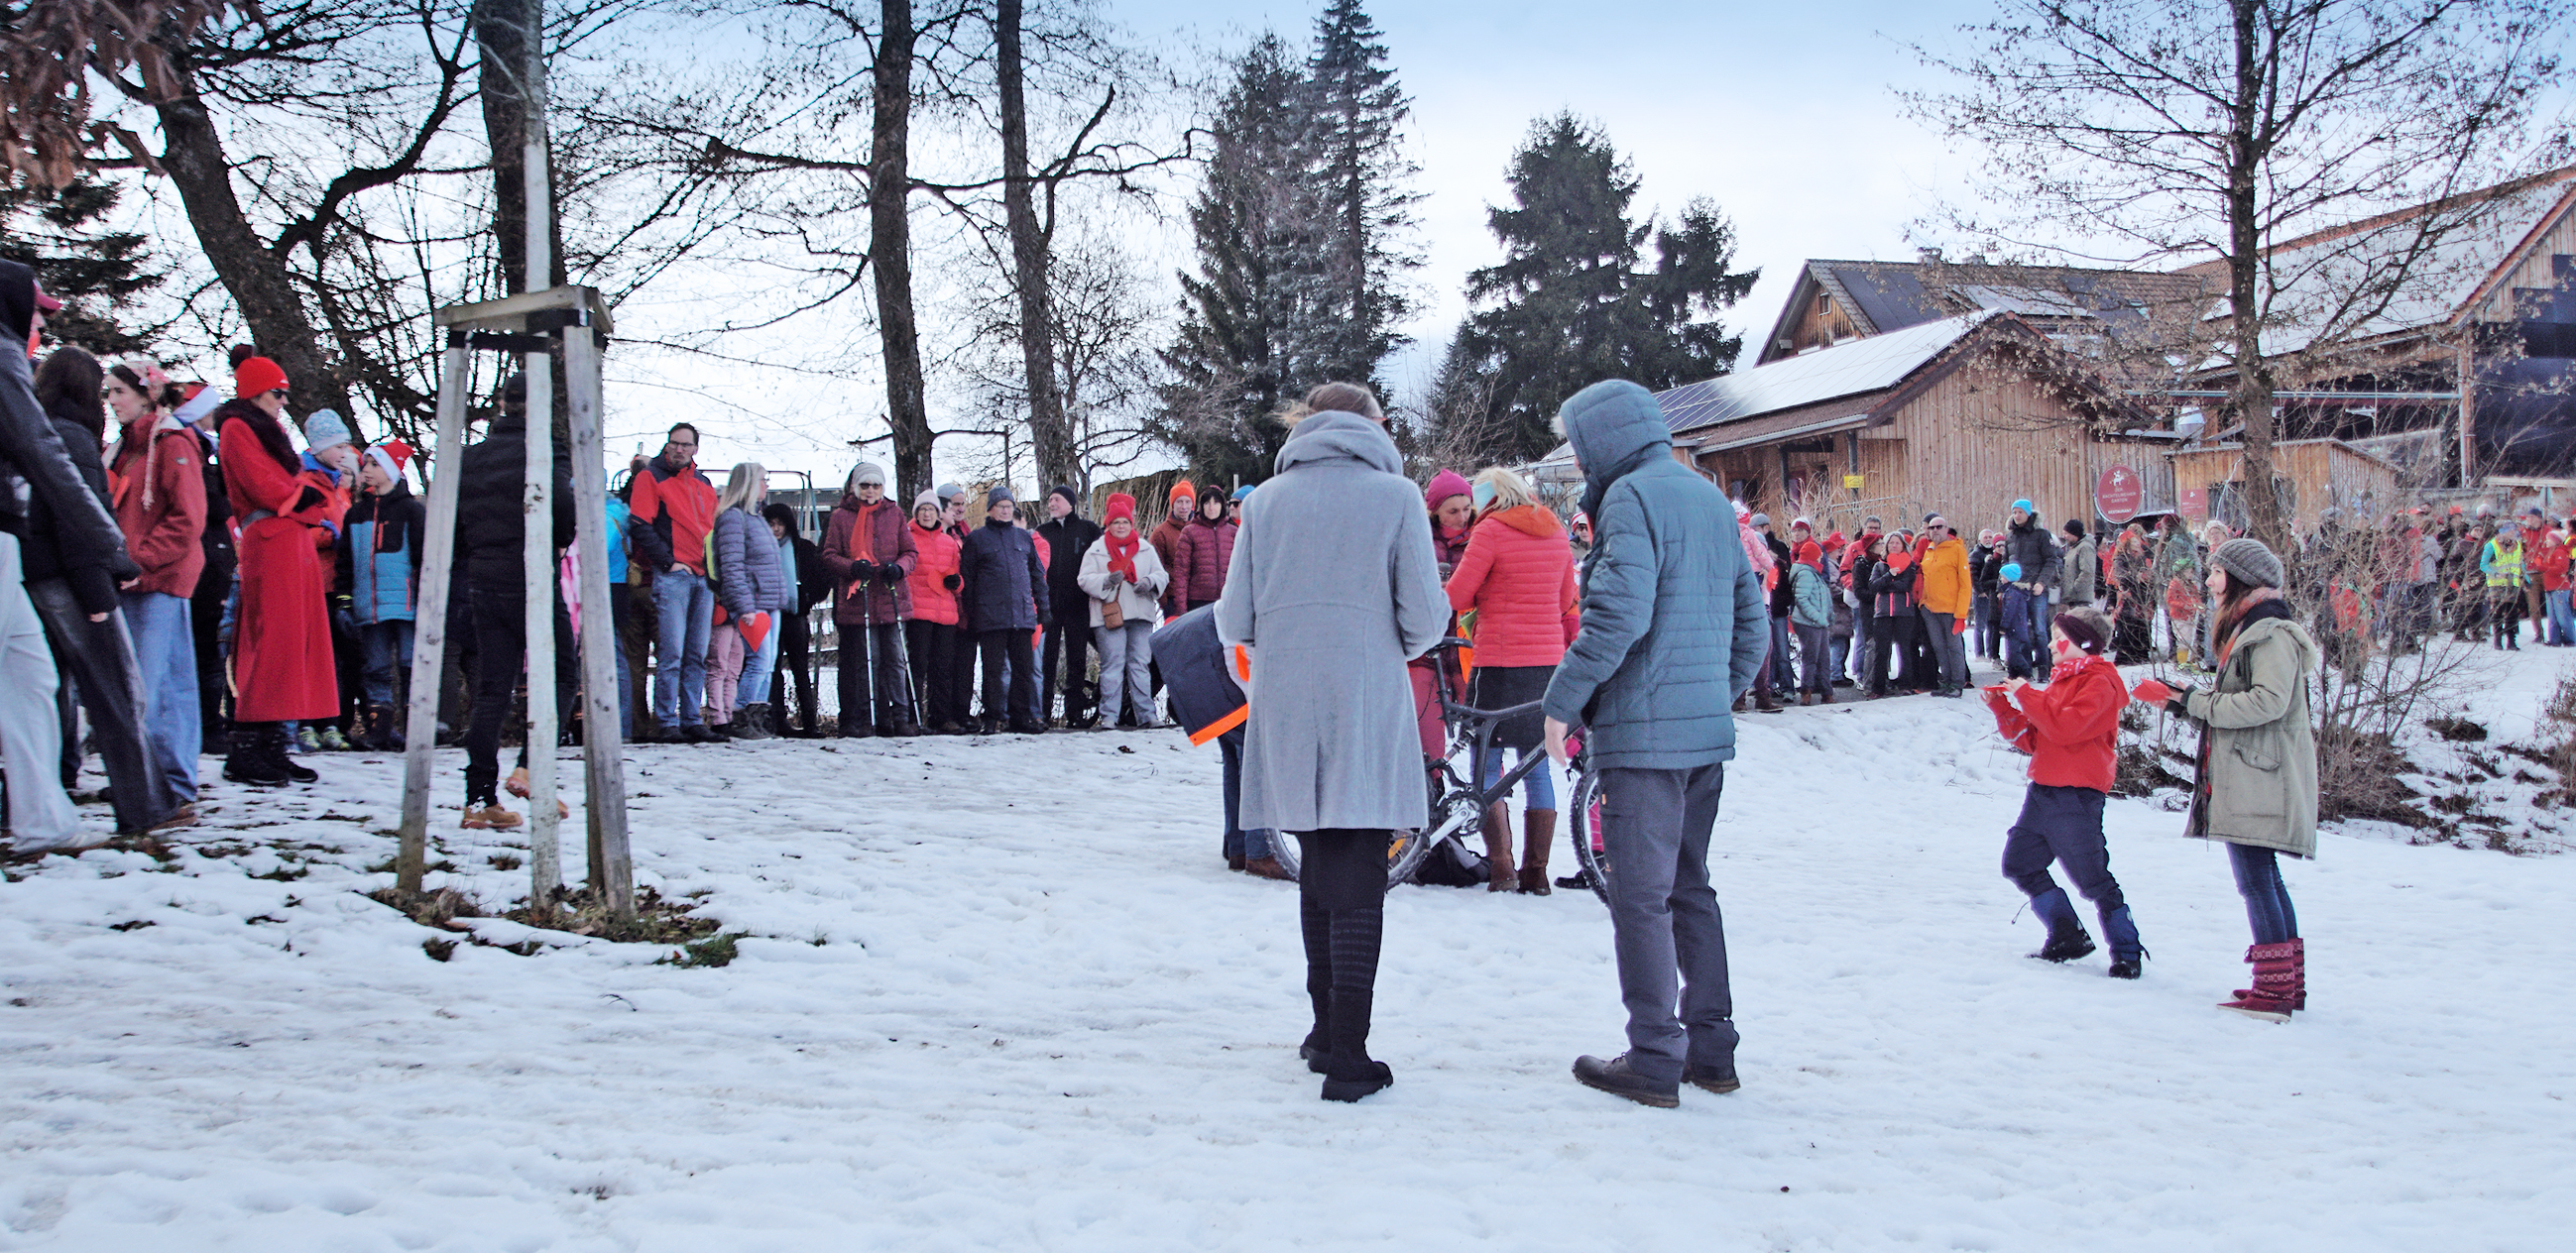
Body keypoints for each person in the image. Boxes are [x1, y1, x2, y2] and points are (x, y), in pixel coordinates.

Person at [1537, 379, 1767, 1109]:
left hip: (1644, 743)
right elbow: (1751, 623)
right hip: (1703, 739)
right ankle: (1713, 1052)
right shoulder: (1704, 495)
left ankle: (1653, 1056)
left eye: (1579, 441)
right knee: (1690, 887)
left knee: (1641, 899)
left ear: (1606, 437)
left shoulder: (1631, 498)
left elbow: (1617, 618)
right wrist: (1711, 697)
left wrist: (1562, 703)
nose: (1576, 457)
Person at [1217, 380, 1446, 1103]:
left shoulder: (1267, 502)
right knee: (1358, 878)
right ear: (1374, 425)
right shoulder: (1397, 496)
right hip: (1364, 696)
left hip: (1288, 700)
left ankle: (1323, 1033)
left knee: (1318, 865)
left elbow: (1233, 615)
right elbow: (1426, 620)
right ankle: (1349, 1053)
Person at [0, 266, 142, 852]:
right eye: (36, 311)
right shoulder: (2, 353)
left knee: (30, 674)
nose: (40, 324)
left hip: (8, 539)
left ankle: (44, 822)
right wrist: (111, 547)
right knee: (28, 676)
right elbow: (43, 454)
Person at [2157, 537, 2318, 1021]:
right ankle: (2286, 987)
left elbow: (2267, 700)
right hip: (2255, 769)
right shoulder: (2252, 627)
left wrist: (2195, 703)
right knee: (2264, 877)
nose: (2208, 581)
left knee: (2256, 880)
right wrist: (2182, 699)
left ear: (2242, 578)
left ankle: (2273, 993)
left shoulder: (2268, 633)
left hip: (2260, 773)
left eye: (2217, 573)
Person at [1983, 605, 2146, 978]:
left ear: (2084, 644)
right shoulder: (2064, 678)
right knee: (2020, 863)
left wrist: (2026, 694)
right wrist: (2004, 709)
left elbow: (2067, 728)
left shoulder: (2099, 682)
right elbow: (2037, 738)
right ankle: (2067, 934)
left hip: (2076, 794)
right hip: (2044, 789)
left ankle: (2126, 950)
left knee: (2093, 878)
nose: (2053, 645)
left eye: (2061, 638)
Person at [1444, 466, 1579, 893]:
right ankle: (1536, 873)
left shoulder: (1491, 532)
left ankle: (1501, 866)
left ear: (1489, 499)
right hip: (1547, 666)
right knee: (1536, 764)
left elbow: (1459, 595)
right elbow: (1564, 600)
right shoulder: (1557, 532)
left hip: (1499, 664)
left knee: (1487, 760)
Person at [451, 373, 574, 827]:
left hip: (482, 574)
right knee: (562, 673)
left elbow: (455, 513)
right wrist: (561, 540)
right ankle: (532, 768)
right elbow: (563, 502)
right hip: (531, 570)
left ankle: (479, 802)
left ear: (503, 403)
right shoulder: (545, 449)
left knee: (492, 689)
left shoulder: (473, 458)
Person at [213, 346, 337, 788]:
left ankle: (269, 744)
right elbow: (263, 483)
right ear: (258, 392)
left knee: (289, 643)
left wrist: (300, 500)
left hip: (285, 541)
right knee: (271, 642)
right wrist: (300, 498)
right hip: (272, 541)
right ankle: (248, 744)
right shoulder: (236, 428)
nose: (285, 401)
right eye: (278, 393)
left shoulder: (252, 429)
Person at [106, 355, 208, 811]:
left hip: (157, 579)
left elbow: (188, 518)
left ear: (147, 392)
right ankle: (158, 781)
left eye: (118, 392)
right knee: (153, 683)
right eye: (107, 393)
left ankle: (171, 785)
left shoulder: (171, 442)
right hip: (132, 579)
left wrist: (138, 562)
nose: (110, 402)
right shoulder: (125, 449)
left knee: (160, 687)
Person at [630, 422, 719, 742]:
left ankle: (691, 718)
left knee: (696, 653)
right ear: (667, 445)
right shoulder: (650, 477)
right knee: (671, 652)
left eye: (686, 444)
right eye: (674, 443)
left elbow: (711, 529)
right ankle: (667, 720)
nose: (679, 449)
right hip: (674, 576)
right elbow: (639, 523)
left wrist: (713, 571)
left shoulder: (704, 483)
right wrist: (667, 562)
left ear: (695, 448)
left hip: (701, 577)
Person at [819, 461, 919, 737]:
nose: (870, 491)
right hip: (859, 598)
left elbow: (910, 552)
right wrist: (851, 566)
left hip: (890, 594)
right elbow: (829, 554)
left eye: (876, 485)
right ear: (855, 487)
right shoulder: (841, 516)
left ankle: (900, 715)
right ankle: (869, 716)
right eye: (865, 485)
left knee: (897, 659)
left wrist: (899, 567)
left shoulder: (894, 514)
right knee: (868, 660)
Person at [335, 438, 423, 750]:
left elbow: (423, 557)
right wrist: (344, 600)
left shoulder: (412, 511)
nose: (367, 471)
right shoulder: (355, 515)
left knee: (411, 664)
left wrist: (427, 599)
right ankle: (380, 728)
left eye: (374, 464)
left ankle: (417, 728)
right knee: (374, 667)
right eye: (366, 464)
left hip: (408, 605)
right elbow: (344, 562)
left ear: (390, 470)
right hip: (368, 607)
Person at [707, 463, 788, 739]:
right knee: (758, 660)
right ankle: (740, 714)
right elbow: (732, 566)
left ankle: (758, 719)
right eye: (763, 480)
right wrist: (745, 607)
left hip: (770, 601)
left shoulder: (757, 518)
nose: (767, 485)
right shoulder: (732, 518)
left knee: (769, 661)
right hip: (753, 603)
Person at [960, 486, 1049, 735]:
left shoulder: (1023, 538)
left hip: (1022, 616)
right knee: (993, 670)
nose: (1006, 510)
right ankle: (992, 717)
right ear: (991, 509)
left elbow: (1037, 576)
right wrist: (972, 612)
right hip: (991, 617)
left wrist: (1043, 608)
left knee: (1023, 669)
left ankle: (1020, 717)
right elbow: (968, 581)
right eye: (1001, 506)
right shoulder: (977, 539)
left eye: (1009, 506)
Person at [1078, 492, 1168, 737]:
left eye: (1125, 522)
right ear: (1108, 524)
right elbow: (1083, 579)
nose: (1120, 526)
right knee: (1112, 666)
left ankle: (1146, 716)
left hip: (1140, 615)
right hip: (1111, 617)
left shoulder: (1146, 549)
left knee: (1140, 665)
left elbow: (1162, 575)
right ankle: (1109, 717)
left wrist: (1149, 581)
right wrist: (1106, 581)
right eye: (1116, 522)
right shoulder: (1096, 550)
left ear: (1131, 524)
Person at [1035, 485, 1102, 728]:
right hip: (1049, 606)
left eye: (1056, 500)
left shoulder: (1088, 530)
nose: (1051, 504)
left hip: (1079, 605)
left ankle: (1074, 713)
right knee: (1047, 660)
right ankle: (1042, 712)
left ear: (1070, 503)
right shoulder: (1042, 532)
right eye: (1050, 500)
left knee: (1077, 660)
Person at [762, 502, 830, 737]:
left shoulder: (802, 549)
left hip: (796, 616)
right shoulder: (761, 548)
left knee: (801, 670)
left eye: (780, 524)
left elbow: (822, 580)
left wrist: (807, 597)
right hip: (771, 615)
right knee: (772, 670)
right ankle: (777, 720)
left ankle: (810, 722)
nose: (776, 529)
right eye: (771, 524)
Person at [902, 491, 967, 735]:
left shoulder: (948, 542)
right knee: (917, 667)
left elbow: (959, 578)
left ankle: (940, 717)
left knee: (943, 668)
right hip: (918, 612)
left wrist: (956, 582)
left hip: (945, 614)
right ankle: (912, 716)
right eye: (922, 510)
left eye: (931, 510)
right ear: (916, 514)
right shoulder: (907, 539)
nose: (927, 514)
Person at [1999, 501, 2060, 681]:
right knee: (2020, 631)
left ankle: (2044, 669)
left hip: (2036, 589)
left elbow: (2051, 561)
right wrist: (2001, 588)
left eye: (2019, 512)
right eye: (2014, 512)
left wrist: (2041, 583)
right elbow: (2004, 563)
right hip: (2015, 590)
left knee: (2040, 629)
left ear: (2028, 514)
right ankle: (2024, 670)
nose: (2016, 515)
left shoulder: (2041, 535)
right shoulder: (2010, 537)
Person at [1916, 514, 1970, 696]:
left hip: (1951, 610)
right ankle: (1946, 682)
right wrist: (1923, 603)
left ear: (1947, 529)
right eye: (1931, 528)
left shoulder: (1957, 550)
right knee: (1938, 647)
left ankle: (1957, 684)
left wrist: (1961, 613)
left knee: (1954, 647)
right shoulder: (1929, 551)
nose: (1935, 531)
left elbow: (1965, 584)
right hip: (1930, 609)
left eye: (1939, 527)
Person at [1862, 535, 1919, 699]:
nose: (1894, 546)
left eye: (1897, 543)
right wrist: (1889, 576)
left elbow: (1905, 585)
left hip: (1904, 612)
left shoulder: (1910, 565)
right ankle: (1878, 687)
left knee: (1905, 649)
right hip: (1883, 613)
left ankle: (1906, 684)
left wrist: (1887, 584)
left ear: (1903, 546)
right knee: (1881, 651)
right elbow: (1873, 586)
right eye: (1891, 543)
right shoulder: (1879, 566)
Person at [1171, 486, 1237, 614]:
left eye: (1216, 503)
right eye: (1207, 503)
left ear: (1222, 506)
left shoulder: (1233, 532)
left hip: (1228, 600)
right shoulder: (1189, 532)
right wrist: (1181, 609)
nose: (1211, 507)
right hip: (1197, 601)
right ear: (1201, 506)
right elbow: (1181, 573)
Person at [1788, 539, 1833, 706]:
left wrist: (1828, 615)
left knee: (1823, 658)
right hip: (1809, 623)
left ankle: (1826, 693)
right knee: (1812, 659)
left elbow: (1823, 597)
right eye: (1819, 556)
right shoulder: (1806, 573)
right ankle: (1807, 693)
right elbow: (1802, 599)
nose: (1822, 559)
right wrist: (1818, 617)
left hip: (1818, 622)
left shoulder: (1814, 573)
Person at [2110, 521, 2156, 664]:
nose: (2138, 544)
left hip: (2141, 596)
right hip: (2128, 596)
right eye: (2134, 541)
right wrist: (2135, 577)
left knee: (2141, 626)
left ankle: (2140, 654)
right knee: (2127, 627)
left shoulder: (2141, 557)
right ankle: (2125, 657)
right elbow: (2120, 575)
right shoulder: (2120, 558)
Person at [1149, 480, 1194, 620]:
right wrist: (1163, 600)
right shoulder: (1160, 533)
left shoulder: (1200, 529)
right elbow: (1155, 567)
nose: (1184, 506)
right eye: (1179, 502)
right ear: (1172, 504)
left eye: (1187, 502)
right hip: (1172, 599)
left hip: (1197, 597)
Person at [2480, 520, 2526, 650]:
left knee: (2512, 613)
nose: (2513, 533)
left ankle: (2511, 641)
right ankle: (2497, 640)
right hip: (2497, 584)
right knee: (2497, 612)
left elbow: (2521, 563)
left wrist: (2526, 579)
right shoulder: (2492, 545)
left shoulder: (2517, 545)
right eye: (2510, 530)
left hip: (2513, 583)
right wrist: (2496, 573)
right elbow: (2483, 565)